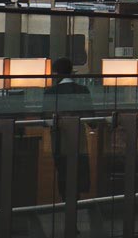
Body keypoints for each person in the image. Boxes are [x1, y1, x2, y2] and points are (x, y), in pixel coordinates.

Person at [44, 58, 91, 209]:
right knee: (78, 170)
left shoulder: (51, 92)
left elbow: (44, 118)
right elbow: (92, 119)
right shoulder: (83, 90)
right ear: (71, 71)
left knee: (63, 171)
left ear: (56, 73)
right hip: (78, 138)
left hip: (59, 138)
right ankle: (75, 202)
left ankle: (66, 202)